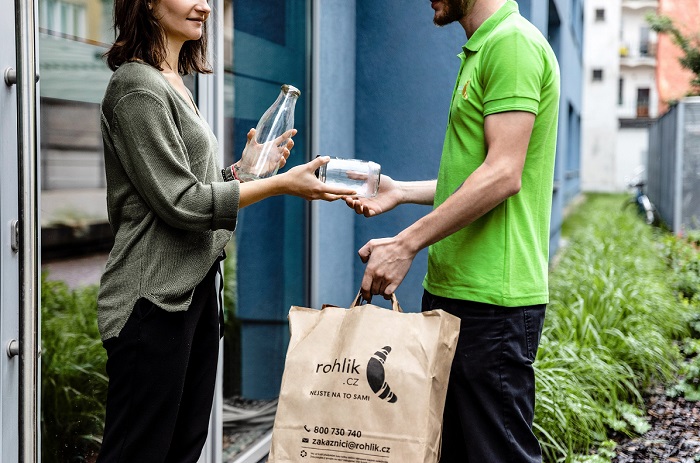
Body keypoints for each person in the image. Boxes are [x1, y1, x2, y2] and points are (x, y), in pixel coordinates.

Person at [96, 1, 354, 462]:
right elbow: (180, 203)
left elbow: (189, 186)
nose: (204, 5)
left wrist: (243, 171)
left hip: (194, 293)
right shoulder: (136, 86)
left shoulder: (172, 81)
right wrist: (280, 185)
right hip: (152, 301)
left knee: (182, 450)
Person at [345, 0, 560, 461]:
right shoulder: (483, 48)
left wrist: (406, 243)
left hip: (492, 304)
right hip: (456, 295)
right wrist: (401, 191)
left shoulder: (512, 44)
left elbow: (503, 174)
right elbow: (477, 176)